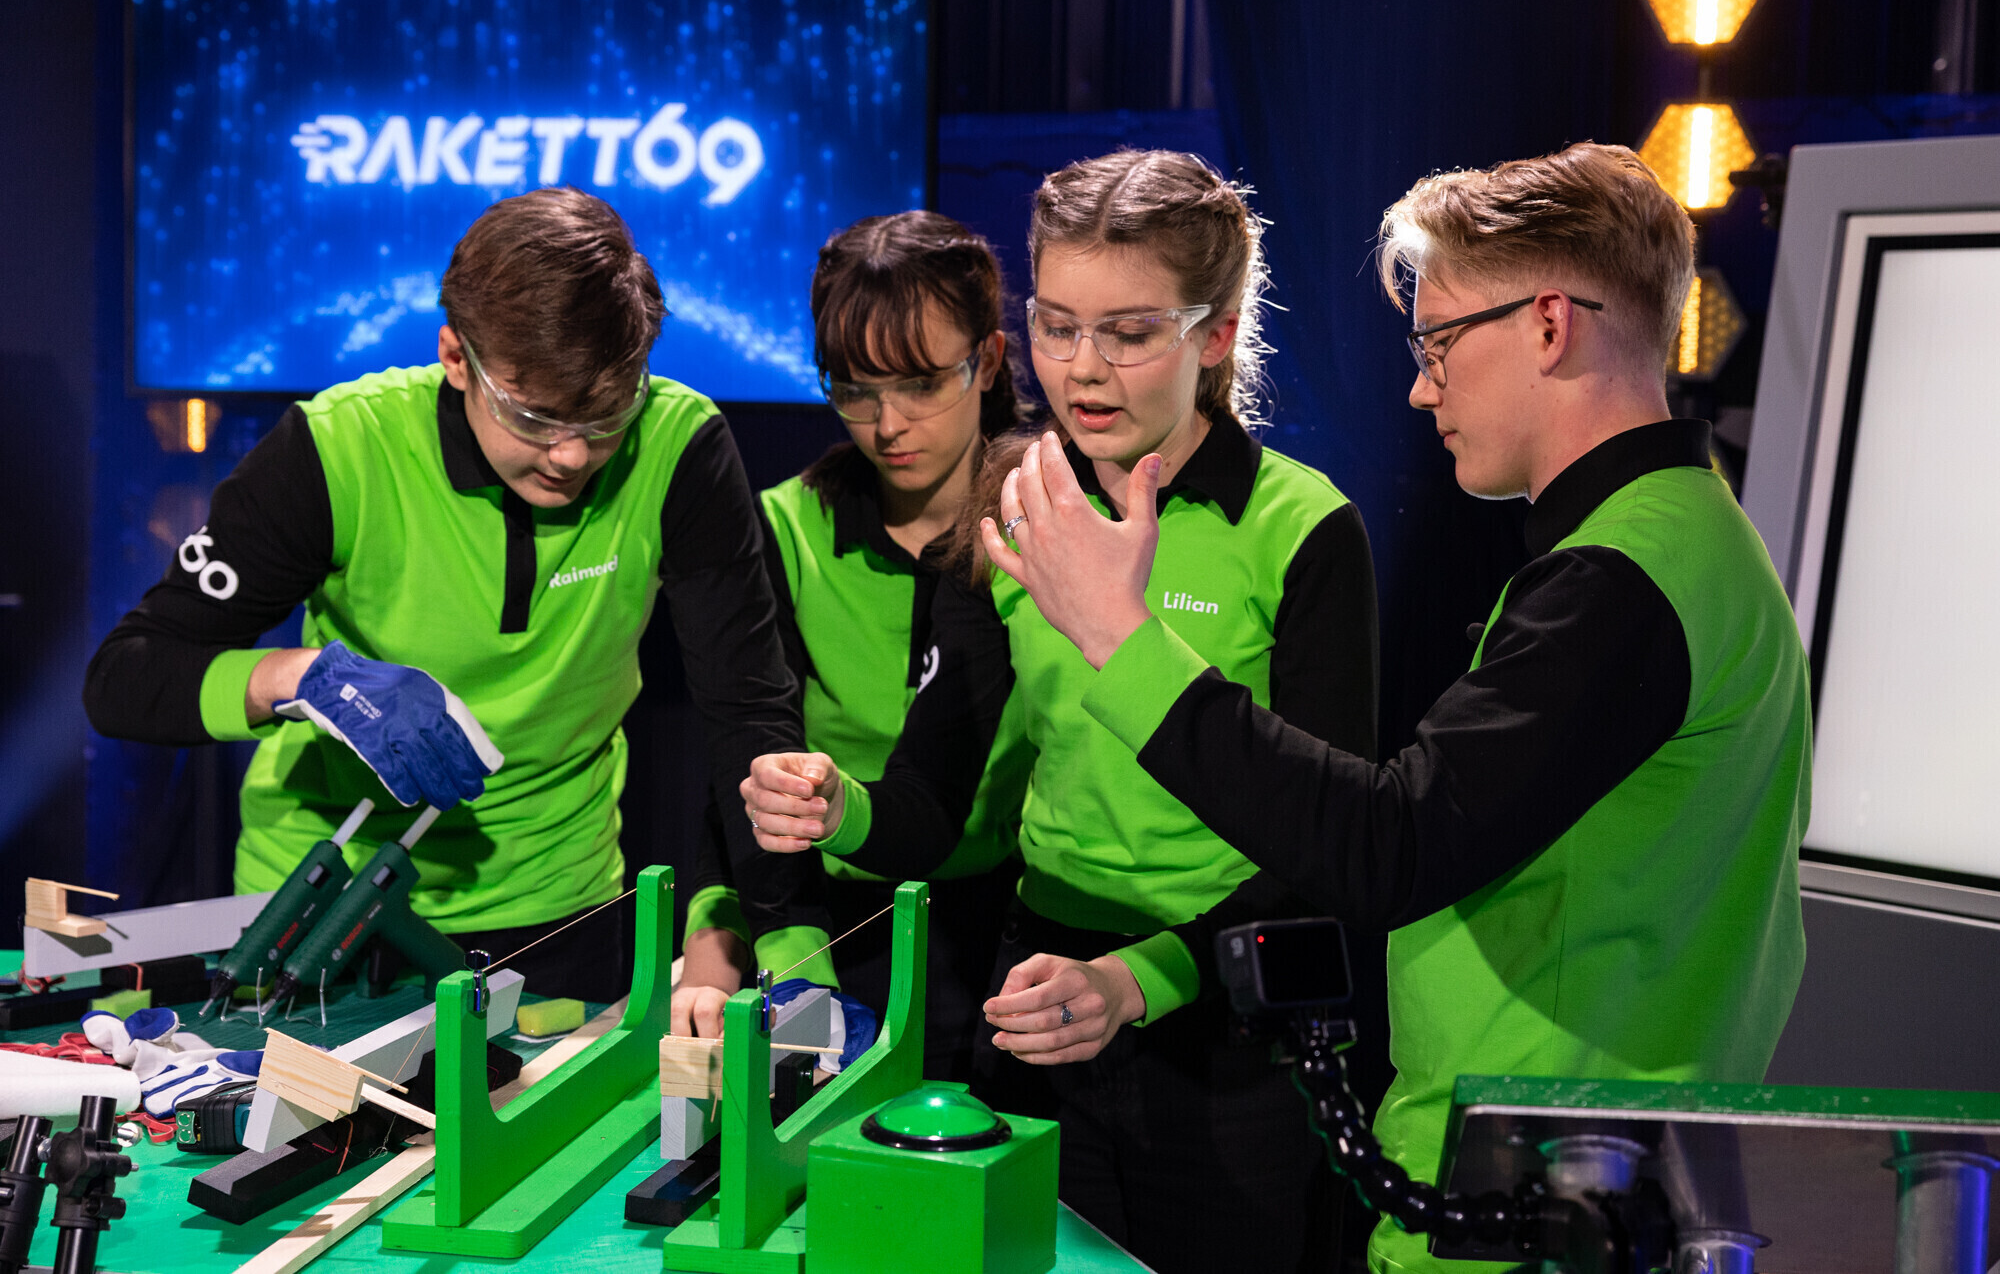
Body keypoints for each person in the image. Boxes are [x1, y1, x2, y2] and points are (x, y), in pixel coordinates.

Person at [968, 142, 1812, 1273]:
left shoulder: (1621, 579)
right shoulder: (1687, 538)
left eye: (1438, 343)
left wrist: (1119, 637)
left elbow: (1386, 846)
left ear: (1547, 326)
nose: (1422, 387)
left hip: (1546, 1193)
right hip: (1570, 1171)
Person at [742, 150, 1381, 1274]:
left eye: (1127, 333)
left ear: (1217, 335)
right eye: (1057, 325)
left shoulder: (1301, 529)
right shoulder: (1011, 501)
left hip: (1227, 1027)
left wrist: (1139, 979)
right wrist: (838, 808)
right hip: (1038, 1004)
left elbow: (1332, 849)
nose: (1083, 369)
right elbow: (936, 801)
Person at [84, 187, 809, 1004]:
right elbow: (125, 677)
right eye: (535, 416)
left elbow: (749, 713)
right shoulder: (338, 449)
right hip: (316, 911)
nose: (572, 455)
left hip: (558, 916)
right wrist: (301, 677)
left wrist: (754, 940)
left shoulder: (680, 447)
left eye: (606, 415)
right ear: (456, 357)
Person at [671, 211, 1034, 1081]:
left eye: (920, 384)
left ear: (987, 360)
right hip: (819, 920)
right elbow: (741, 759)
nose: (887, 424)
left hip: (1003, 933)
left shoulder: (1046, 516)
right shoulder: (785, 526)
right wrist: (718, 928)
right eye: (854, 389)